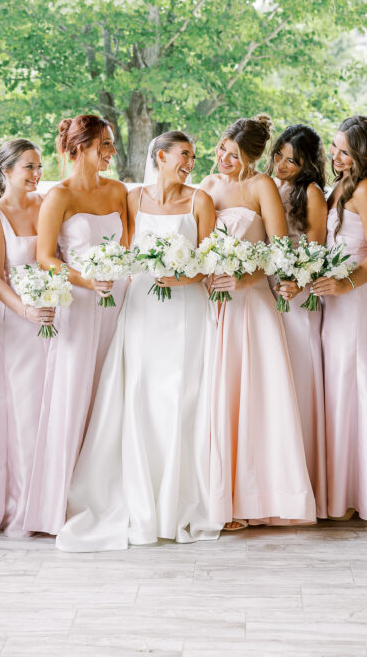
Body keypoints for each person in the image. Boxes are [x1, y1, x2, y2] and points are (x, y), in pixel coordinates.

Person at [56, 131, 221, 550]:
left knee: (183, 396)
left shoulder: (200, 200)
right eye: (184, 155)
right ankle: (141, 499)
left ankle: (176, 503)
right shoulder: (133, 199)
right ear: (160, 156)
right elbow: (127, 249)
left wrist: (182, 276)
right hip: (144, 307)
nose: (191, 163)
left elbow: (209, 260)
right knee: (142, 394)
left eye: (194, 157)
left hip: (186, 311)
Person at [199, 116, 316, 529]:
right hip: (213, 303)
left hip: (251, 303)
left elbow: (278, 251)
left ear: (250, 156)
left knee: (253, 398)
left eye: (232, 154)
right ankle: (217, 498)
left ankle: (255, 496)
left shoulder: (261, 187)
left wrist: (242, 277)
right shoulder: (209, 187)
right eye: (220, 150)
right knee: (216, 396)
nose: (223, 159)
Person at [24, 115, 129, 535]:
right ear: (80, 146)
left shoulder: (120, 190)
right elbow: (45, 256)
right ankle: (60, 501)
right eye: (104, 144)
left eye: (111, 144)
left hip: (119, 302)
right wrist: (86, 279)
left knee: (112, 391)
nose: (110, 152)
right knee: (74, 392)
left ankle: (108, 489)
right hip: (79, 303)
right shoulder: (59, 196)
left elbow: (131, 246)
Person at [0, 139, 56, 537]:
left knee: (51, 409)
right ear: (6, 171)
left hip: (55, 318)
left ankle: (50, 500)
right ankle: (24, 505)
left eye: (39, 166)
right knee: (24, 412)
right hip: (18, 324)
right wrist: (24, 309)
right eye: (29, 167)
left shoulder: (46, 205)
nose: (37, 174)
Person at [312, 115, 367, 522]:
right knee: (336, 387)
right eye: (335, 147)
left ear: (364, 153)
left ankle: (358, 493)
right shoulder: (340, 184)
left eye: (345, 150)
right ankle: (337, 489)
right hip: (335, 298)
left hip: (358, 297)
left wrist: (347, 285)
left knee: (355, 384)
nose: (337, 155)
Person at [270, 123, 329, 518]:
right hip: (268, 286)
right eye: (279, 155)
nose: (283, 165)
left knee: (300, 377)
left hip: (298, 291)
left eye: (292, 160)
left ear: (306, 164)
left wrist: (296, 282)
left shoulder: (311, 193)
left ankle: (303, 475)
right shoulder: (269, 187)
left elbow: (318, 249)